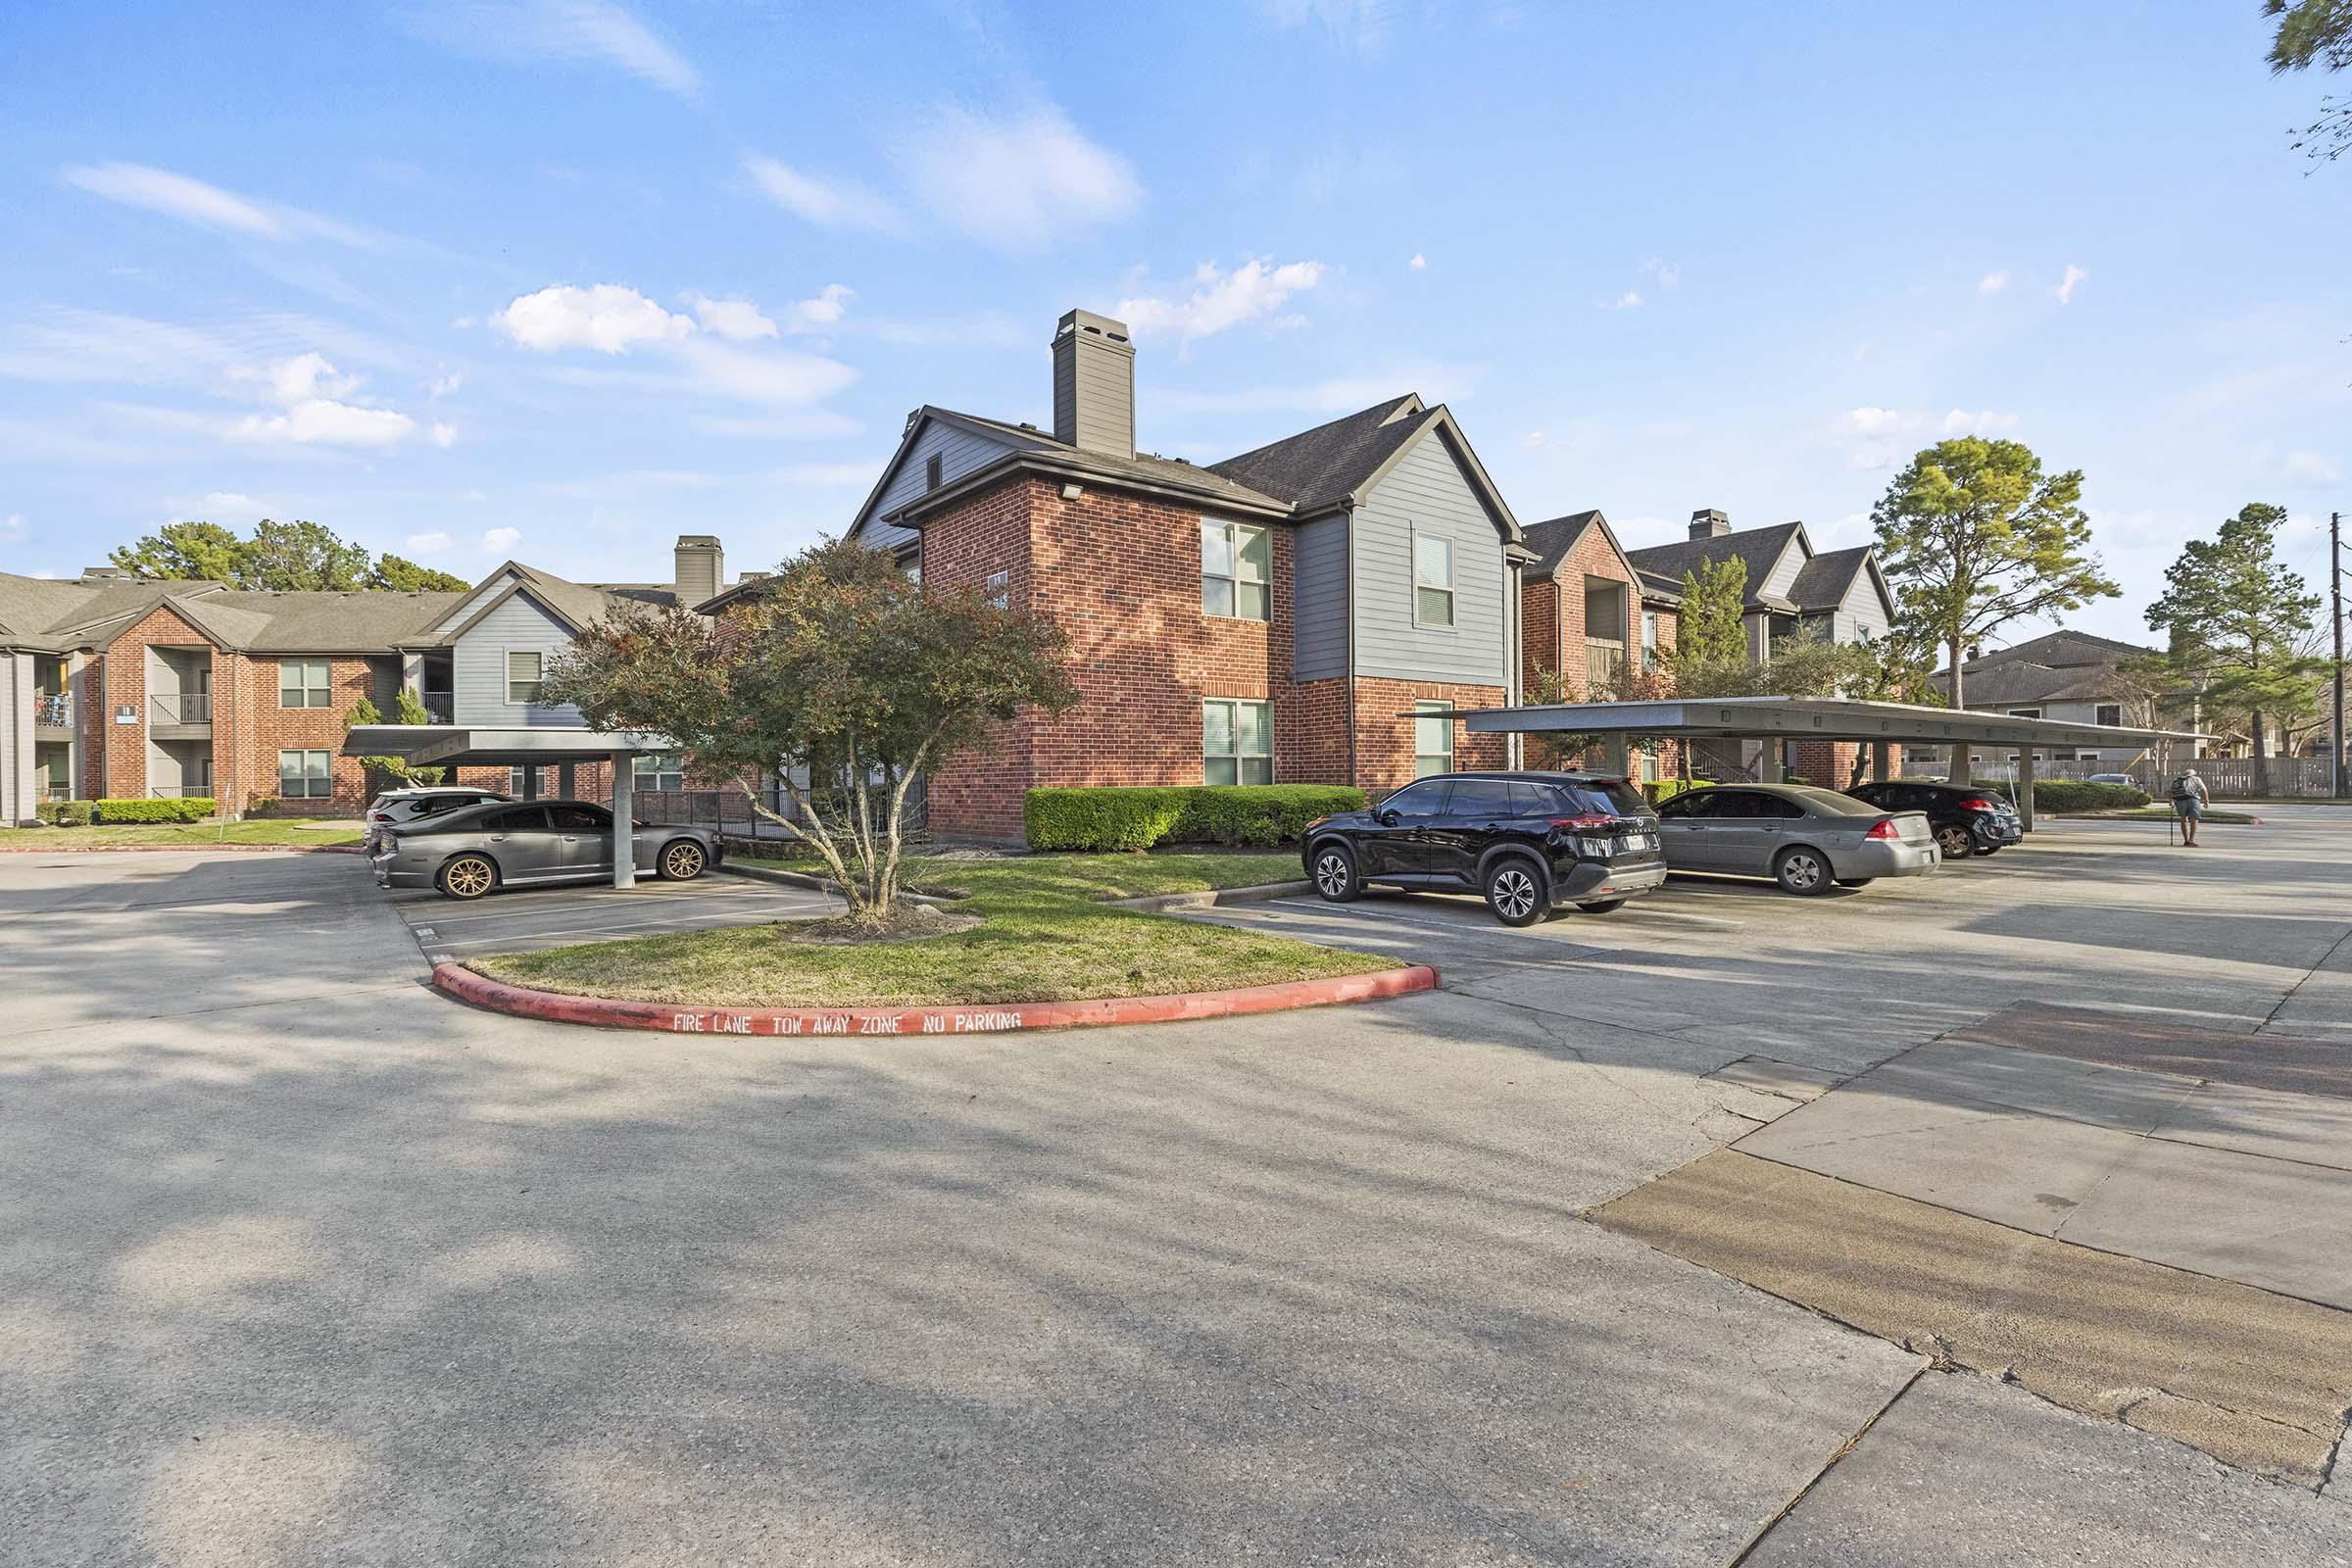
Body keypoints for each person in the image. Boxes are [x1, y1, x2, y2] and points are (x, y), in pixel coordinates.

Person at [2170, 764, 2210, 846]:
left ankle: (2186, 840)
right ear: (2193, 774)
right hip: (2193, 800)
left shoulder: (2177, 780)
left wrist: (2171, 801)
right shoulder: (2196, 779)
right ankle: (2191, 840)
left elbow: (2171, 792)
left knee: (2183, 820)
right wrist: (2206, 801)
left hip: (2180, 801)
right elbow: (2204, 790)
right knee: (2194, 820)